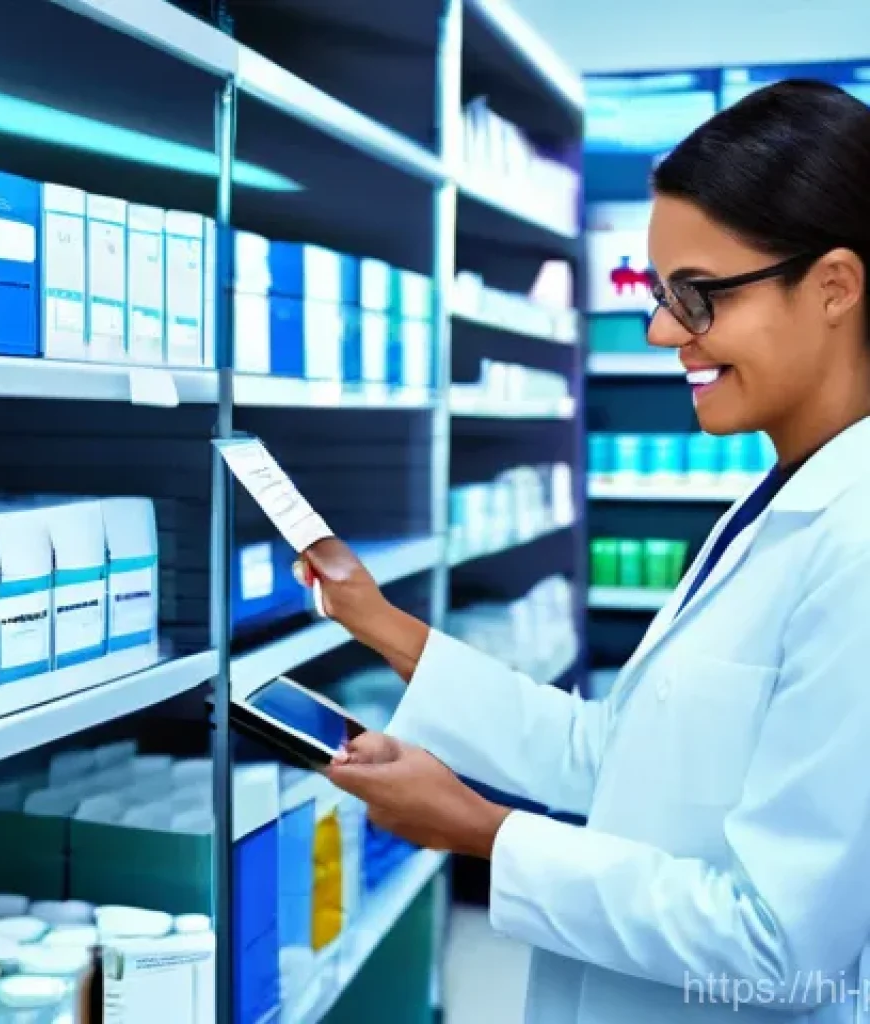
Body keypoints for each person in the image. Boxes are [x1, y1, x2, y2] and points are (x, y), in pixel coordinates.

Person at [294, 79, 870, 1023]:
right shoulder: (772, 503)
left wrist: (484, 833)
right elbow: (614, 752)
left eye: (697, 296)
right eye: (657, 293)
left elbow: (779, 946)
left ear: (835, 286)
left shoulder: (857, 544)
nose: (659, 330)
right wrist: (382, 624)